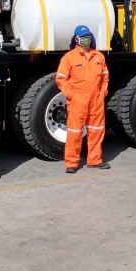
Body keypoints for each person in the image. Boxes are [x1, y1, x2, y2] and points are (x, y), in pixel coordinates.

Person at [56, 25, 110, 174]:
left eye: (88, 36)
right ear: (76, 39)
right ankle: (72, 163)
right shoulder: (69, 57)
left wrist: (103, 92)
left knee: (97, 130)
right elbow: (61, 79)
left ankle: (95, 160)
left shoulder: (99, 56)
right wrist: (71, 95)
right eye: (83, 36)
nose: (86, 39)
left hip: (96, 99)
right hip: (78, 99)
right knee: (75, 131)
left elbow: (105, 76)